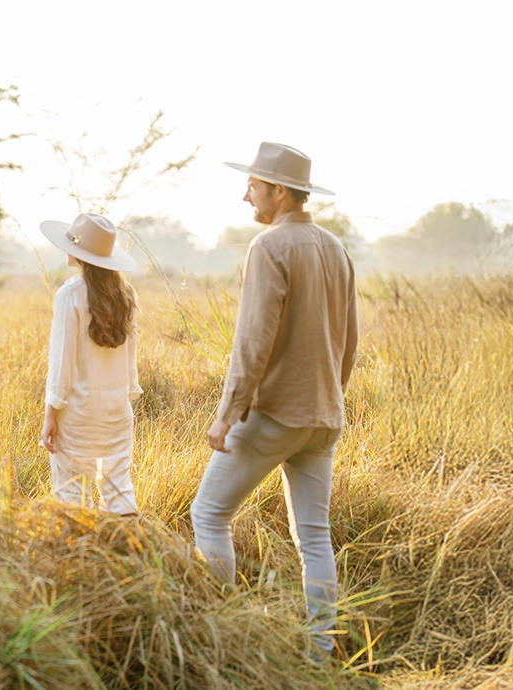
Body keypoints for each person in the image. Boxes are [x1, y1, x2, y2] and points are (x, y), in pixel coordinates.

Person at [190, 142, 359, 656]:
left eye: (253, 186)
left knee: (208, 515)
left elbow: (252, 342)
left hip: (273, 415)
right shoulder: (336, 247)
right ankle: (320, 652)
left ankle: (221, 638)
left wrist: (226, 416)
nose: (246, 196)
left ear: (279, 192)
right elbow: (349, 341)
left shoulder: (268, 247)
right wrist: (329, 396)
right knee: (314, 539)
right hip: (325, 418)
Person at [37, 213, 142, 516]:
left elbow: (61, 362)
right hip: (118, 411)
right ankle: (130, 552)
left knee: (72, 495)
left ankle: (82, 559)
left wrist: (50, 414)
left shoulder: (70, 293)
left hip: (78, 413)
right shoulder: (127, 295)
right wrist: (126, 396)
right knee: (120, 491)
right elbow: (130, 362)